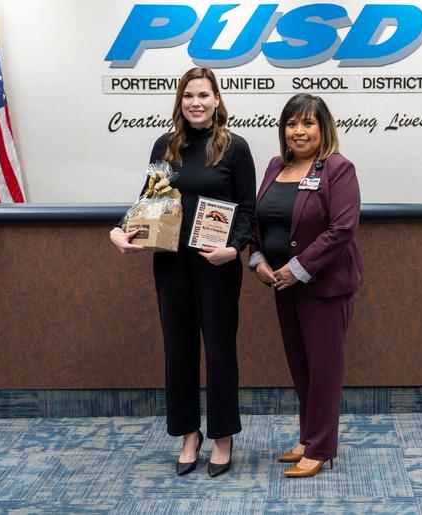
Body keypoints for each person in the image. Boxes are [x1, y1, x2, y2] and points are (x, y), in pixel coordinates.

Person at [110, 67, 256, 478]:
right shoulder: (166, 144)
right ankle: (189, 434)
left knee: (221, 353)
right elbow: (147, 202)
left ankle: (223, 436)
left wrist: (234, 248)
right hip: (171, 266)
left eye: (203, 95)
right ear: (180, 101)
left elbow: (247, 209)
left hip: (217, 267)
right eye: (188, 95)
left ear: (216, 100)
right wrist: (123, 231)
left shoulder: (235, 148)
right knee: (178, 353)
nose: (196, 102)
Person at [250, 93, 362, 478]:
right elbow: (259, 219)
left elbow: (342, 228)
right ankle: (307, 437)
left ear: (323, 128)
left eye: (307, 124)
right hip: (282, 284)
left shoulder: (337, 168)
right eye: (291, 124)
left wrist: (297, 268)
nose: (298, 131)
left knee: (324, 368)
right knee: (301, 366)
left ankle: (320, 448)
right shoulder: (274, 167)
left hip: (324, 286)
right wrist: (258, 259)